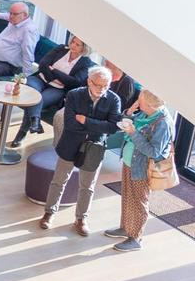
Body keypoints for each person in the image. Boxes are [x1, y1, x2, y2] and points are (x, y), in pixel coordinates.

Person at [39, 64, 122, 235]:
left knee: (87, 186)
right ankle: (49, 213)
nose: (101, 89)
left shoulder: (114, 100)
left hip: (94, 148)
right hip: (70, 143)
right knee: (59, 180)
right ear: (88, 81)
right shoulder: (74, 95)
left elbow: (113, 127)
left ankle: (81, 219)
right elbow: (70, 124)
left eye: (105, 85)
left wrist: (86, 121)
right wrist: (99, 126)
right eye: (97, 84)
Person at [104, 89, 174, 252]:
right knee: (128, 196)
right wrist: (129, 112)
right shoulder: (146, 113)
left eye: (140, 100)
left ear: (150, 104)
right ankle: (126, 228)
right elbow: (130, 121)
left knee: (139, 201)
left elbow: (154, 152)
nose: (138, 102)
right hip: (130, 163)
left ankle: (136, 238)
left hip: (142, 168)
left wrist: (133, 133)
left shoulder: (163, 123)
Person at [15, 34, 94, 145]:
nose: (73, 45)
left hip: (58, 89)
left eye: (77, 44)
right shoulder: (61, 49)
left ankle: (22, 132)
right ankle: (35, 123)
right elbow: (43, 64)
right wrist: (53, 77)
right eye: (72, 42)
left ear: (84, 48)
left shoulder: (86, 63)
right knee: (32, 94)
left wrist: (55, 71)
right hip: (40, 79)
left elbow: (75, 82)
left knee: (38, 100)